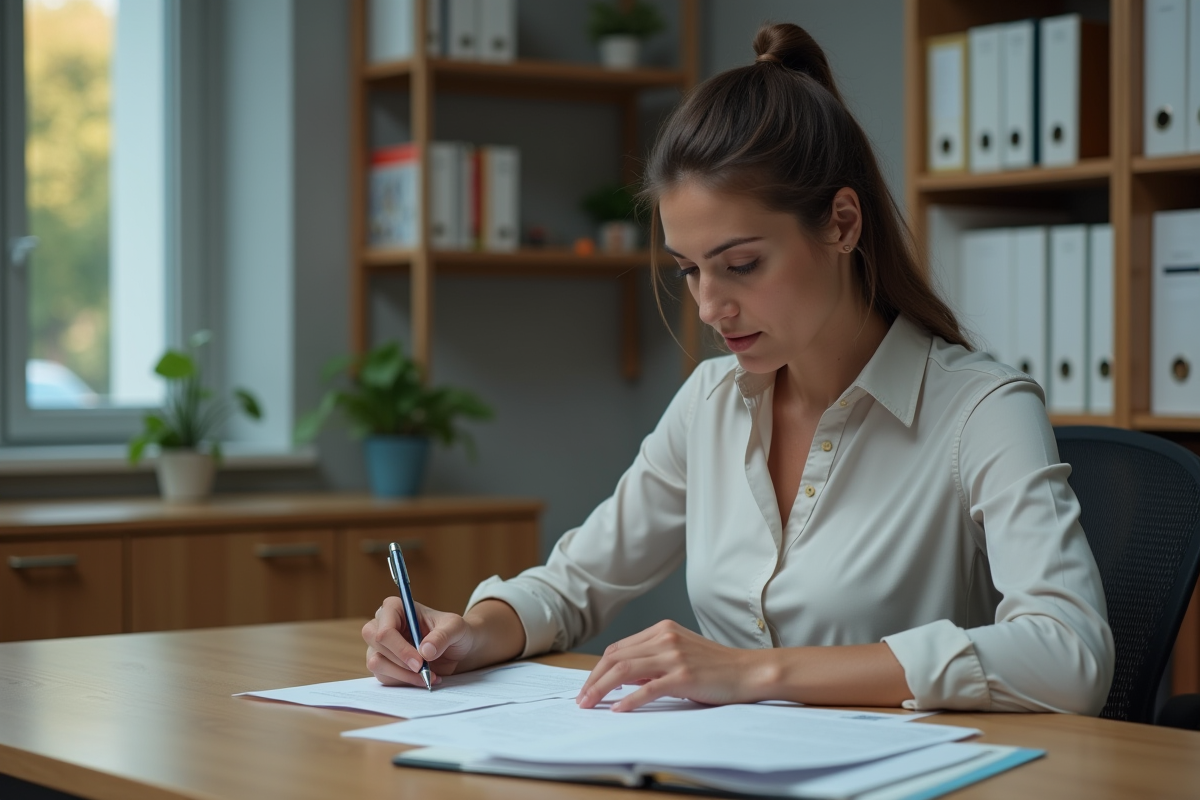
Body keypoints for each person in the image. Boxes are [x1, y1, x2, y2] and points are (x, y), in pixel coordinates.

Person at [363, 22, 1115, 715]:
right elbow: (573, 585)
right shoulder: (711, 403)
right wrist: (467, 634)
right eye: (689, 270)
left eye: (742, 264)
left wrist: (759, 672)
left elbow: (1071, 654)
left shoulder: (983, 411)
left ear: (842, 223)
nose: (710, 306)